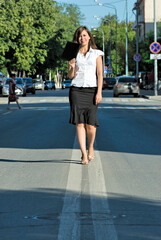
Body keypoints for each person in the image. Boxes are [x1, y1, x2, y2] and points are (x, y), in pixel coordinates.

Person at [68, 26, 104, 165]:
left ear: (89, 37)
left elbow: (100, 75)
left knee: (90, 125)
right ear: (77, 38)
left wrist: (99, 92)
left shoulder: (96, 54)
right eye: (79, 36)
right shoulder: (73, 53)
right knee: (79, 123)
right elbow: (71, 76)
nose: (82, 38)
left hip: (92, 90)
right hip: (76, 90)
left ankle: (90, 146)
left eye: (84, 35)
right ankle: (83, 153)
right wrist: (71, 67)